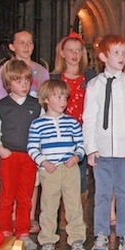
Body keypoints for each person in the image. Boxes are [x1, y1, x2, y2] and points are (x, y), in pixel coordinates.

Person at [83, 34, 125, 250]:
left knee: (124, 193)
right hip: (102, 151)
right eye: (116, 52)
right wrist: (90, 147)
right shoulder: (95, 85)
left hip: (124, 151)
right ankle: (100, 233)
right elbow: (89, 118)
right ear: (103, 56)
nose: (121, 56)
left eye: (124, 53)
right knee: (102, 194)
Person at [27, 79, 86, 250]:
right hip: (49, 170)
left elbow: (81, 144)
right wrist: (43, 162)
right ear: (46, 99)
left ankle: (76, 238)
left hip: (69, 169)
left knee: (74, 204)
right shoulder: (38, 124)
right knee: (48, 206)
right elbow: (31, 147)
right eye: (58, 97)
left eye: (65, 98)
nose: (63, 102)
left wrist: (77, 157)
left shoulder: (72, 122)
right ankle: (47, 239)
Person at [0, 59, 42, 250]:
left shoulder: (36, 106)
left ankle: (23, 232)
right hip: (9, 156)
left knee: (25, 197)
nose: (24, 85)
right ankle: (4, 230)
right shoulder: (0, 107)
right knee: (6, 196)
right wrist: (0, 148)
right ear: (8, 83)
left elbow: (41, 132)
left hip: (29, 157)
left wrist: (39, 155)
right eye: (18, 81)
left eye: (27, 81)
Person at [49, 31, 96, 230]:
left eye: (78, 50)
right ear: (62, 53)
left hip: (82, 132)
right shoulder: (54, 77)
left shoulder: (90, 77)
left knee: (80, 175)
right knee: (59, 175)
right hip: (58, 133)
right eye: (70, 50)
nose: (74, 54)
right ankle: (62, 216)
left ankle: (76, 218)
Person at [0, 29, 49, 99]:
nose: (26, 46)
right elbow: (2, 96)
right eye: (21, 43)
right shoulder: (5, 69)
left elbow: (45, 97)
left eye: (29, 43)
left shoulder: (42, 71)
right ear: (12, 47)